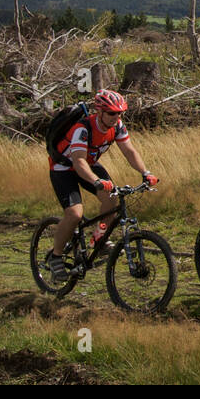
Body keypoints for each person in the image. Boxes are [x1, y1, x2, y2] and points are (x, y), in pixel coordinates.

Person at [45, 89, 158, 282]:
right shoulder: (83, 128)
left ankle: (99, 238)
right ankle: (55, 257)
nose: (117, 117)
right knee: (74, 214)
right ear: (100, 112)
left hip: (88, 165)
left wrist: (145, 173)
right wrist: (96, 181)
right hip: (64, 168)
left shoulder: (118, 127)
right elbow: (78, 161)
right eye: (112, 113)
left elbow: (129, 151)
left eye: (120, 112)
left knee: (111, 200)